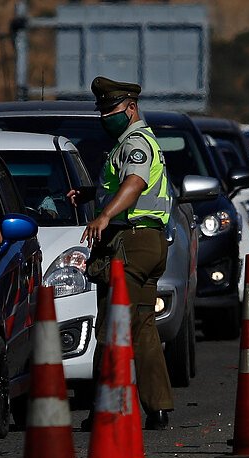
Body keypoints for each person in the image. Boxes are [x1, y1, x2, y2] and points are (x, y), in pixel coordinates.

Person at [68, 76, 174, 431]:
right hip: (149, 242)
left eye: (111, 110)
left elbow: (134, 184)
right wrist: (90, 195)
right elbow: (123, 185)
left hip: (132, 242)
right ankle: (158, 406)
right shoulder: (130, 143)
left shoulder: (136, 143)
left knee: (112, 328)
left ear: (131, 108)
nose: (105, 117)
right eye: (102, 111)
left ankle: (105, 410)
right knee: (142, 326)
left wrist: (104, 215)